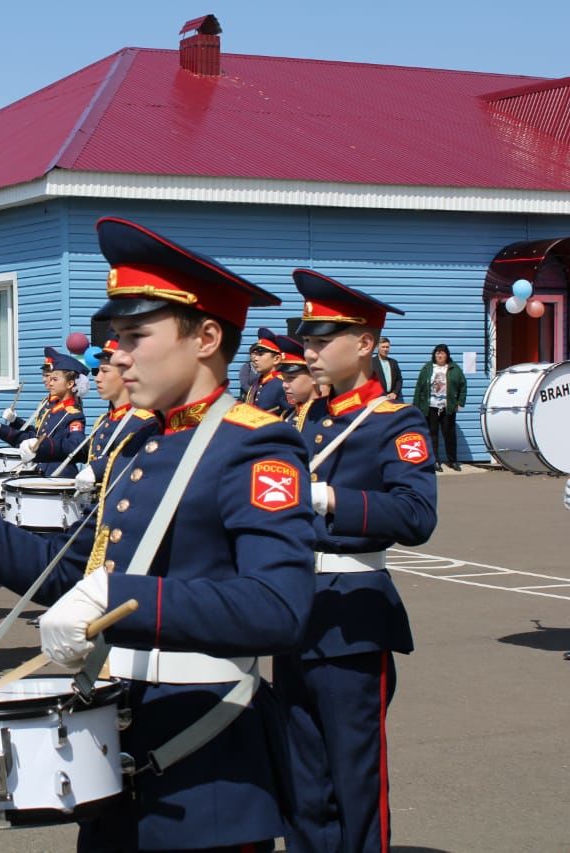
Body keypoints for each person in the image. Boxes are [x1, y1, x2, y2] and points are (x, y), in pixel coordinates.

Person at [0, 217, 315, 851]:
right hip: (114, 739)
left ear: (205, 337)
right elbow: (72, 576)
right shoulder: (143, 442)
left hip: (206, 757)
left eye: (133, 336)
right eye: (113, 338)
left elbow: (279, 608)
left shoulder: (256, 447)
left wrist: (122, 601)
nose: (113, 355)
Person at [276, 268, 438, 853]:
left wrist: (330, 499)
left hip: (352, 618)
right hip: (295, 611)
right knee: (302, 781)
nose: (309, 353)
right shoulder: (308, 420)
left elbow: (417, 515)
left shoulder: (396, 422)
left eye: (322, 342)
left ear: (365, 344)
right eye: (307, 341)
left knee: (354, 780)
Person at [71, 338, 155, 494]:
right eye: (98, 371)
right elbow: (83, 451)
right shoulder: (105, 420)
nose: (97, 378)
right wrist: (42, 446)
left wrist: (97, 470)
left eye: (105, 371)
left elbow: (132, 459)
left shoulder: (144, 422)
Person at [14, 349, 89, 475]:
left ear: (70, 383)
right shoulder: (53, 409)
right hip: (44, 470)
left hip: (61, 475)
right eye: (50, 378)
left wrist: (43, 445)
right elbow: (37, 434)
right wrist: (3, 429)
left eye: (55, 379)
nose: (50, 382)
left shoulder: (73, 414)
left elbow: (77, 446)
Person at [413, 343, 466, 472]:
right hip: (431, 407)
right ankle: (434, 461)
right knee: (432, 435)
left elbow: (463, 386)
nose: (439, 355)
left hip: (447, 408)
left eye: (442, 353)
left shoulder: (454, 368)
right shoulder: (427, 368)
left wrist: (460, 402)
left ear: (447, 355)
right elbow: (419, 387)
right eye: (437, 353)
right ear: (434, 355)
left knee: (449, 435)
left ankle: (452, 461)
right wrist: (416, 406)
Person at [241, 327, 289, 416]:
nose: (255, 359)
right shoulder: (257, 382)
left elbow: (291, 416)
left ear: (276, 359)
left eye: (260, 354)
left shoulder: (282, 384)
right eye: (254, 354)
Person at [277, 335, 321, 431]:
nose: (284, 385)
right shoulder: (287, 415)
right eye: (283, 379)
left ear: (314, 377)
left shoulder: (321, 416)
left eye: (291, 378)